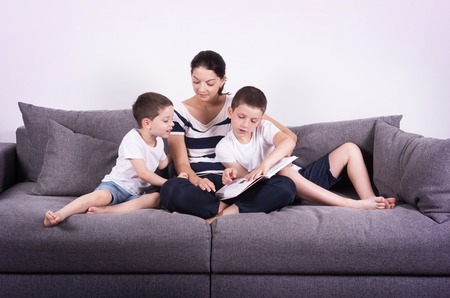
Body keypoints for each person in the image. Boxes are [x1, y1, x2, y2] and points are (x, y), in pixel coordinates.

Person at [160, 50, 296, 223]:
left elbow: (288, 136)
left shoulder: (237, 107)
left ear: (223, 80)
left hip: (238, 181)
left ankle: (215, 217)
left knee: (286, 187)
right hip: (202, 185)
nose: (202, 89)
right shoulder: (178, 113)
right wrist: (197, 179)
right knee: (170, 189)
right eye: (196, 82)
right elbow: (181, 164)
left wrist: (270, 163)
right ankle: (232, 210)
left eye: (209, 83)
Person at [216, 86, 396, 214]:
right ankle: (352, 204)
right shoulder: (224, 147)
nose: (246, 125)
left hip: (302, 178)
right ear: (231, 112)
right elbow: (247, 180)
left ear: (260, 119)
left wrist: (265, 164)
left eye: (253, 120)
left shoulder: (264, 127)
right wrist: (232, 175)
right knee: (284, 171)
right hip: (279, 188)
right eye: (241, 117)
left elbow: (287, 142)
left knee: (349, 149)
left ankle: (371, 199)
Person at [43, 92, 187, 227]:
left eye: (172, 120)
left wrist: (179, 153)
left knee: (156, 198)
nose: (171, 124)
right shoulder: (133, 139)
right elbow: (143, 173)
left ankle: (107, 210)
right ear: (147, 123)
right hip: (116, 186)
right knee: (101, 196)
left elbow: (162, 164)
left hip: (135, 193)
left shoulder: (159, 141)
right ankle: (60, 214)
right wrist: (171, 183)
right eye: (166, 120)